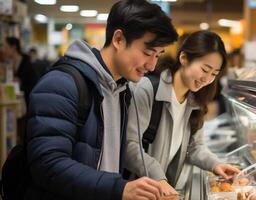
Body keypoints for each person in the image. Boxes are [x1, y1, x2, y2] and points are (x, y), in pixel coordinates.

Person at [24, 0, 178, 200]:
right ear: (119, 39)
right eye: (147, 53)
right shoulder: (61, 84)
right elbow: (48, 164)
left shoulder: (122, 90)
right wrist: (119, 188)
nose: (151, 65)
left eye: (158, 55)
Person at [125, 31, 240, 196]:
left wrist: (216, 164)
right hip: (140, 189)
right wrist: (159, 178)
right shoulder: (148, 89)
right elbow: (130, 146)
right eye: (204, 69)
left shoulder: (195, 100)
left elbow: (195, 147)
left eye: (214, 74)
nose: (207, 79)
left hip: (162, 190)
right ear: (184, 58)